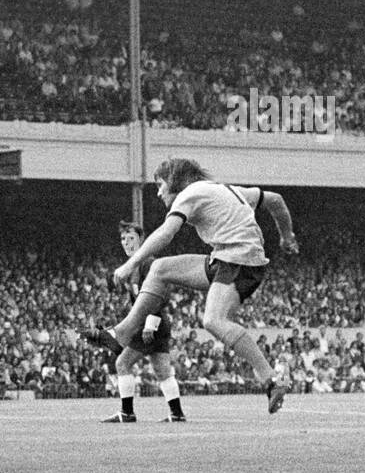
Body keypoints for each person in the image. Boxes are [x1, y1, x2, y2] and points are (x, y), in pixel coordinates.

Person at [81, 158, 299, 414]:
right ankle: (120, 333)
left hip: (237, 258)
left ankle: (270, 379)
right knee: (160, 269)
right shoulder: (225, 189)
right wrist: (287, 237)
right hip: (226, 258)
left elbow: (166, 232)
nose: (159, 191)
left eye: (160, 184)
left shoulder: (190, 193)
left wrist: (130, 264)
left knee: (213, 321)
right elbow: (275, 200)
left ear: (174, 181)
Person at [100, 221, 185, 423]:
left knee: (122, 363)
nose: (126, 243)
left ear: (142, 240)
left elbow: (161, 295)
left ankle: (127, 413)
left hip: (152, 323)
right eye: (123, 239)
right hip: (157, 324)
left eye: (131, 239)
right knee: (162, 370)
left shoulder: (148, 263)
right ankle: (177, 413)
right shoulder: (134, 267)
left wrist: (150, 325)